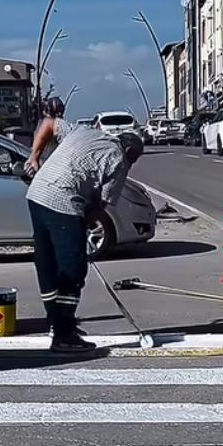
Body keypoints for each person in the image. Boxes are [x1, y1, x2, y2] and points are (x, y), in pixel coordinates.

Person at [26, 123, 143, 354]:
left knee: (47, 262)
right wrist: (85, 225)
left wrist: (34, 156)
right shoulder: (119, 159)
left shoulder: (83, 130)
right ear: (130, 152)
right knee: (73, 267)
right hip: (63, 201)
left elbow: (49, 123)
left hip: (36, 194)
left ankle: (55, 324)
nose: (132, 164)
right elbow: (102, 205)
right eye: (135, 159)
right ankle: (64, 334)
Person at [26, 95, 72, 173]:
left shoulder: (58, 127)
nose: (58, 115)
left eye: (60, 112)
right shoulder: (43, 125)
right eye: (56, 112)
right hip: (43, 166)